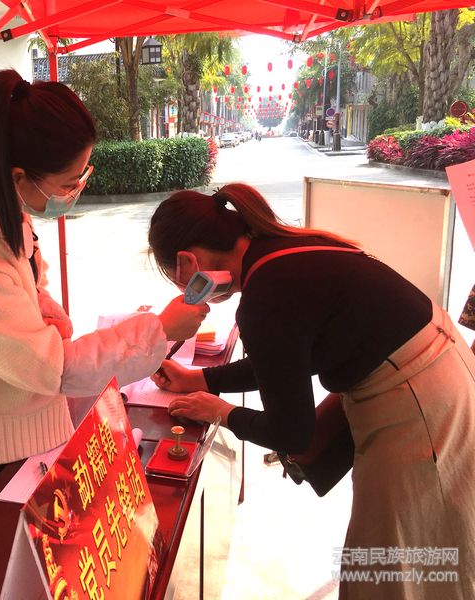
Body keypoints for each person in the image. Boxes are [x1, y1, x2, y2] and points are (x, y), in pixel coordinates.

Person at [0, 69, 207, 543]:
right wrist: (158, 330)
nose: (75, 190)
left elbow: (28, 276)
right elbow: (52, 369)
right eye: (70, 182)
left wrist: (44, 307)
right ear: (19, 176)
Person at [148, 183, 475, 599]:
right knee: (424, 550)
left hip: (420, 407)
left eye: (180, 282)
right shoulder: (280, 253)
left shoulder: (266, 293)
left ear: (187, 263)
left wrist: (219, 411)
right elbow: (282, 360)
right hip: (438, 375)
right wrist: (201, 379)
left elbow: (292, 433)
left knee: (394, 566)